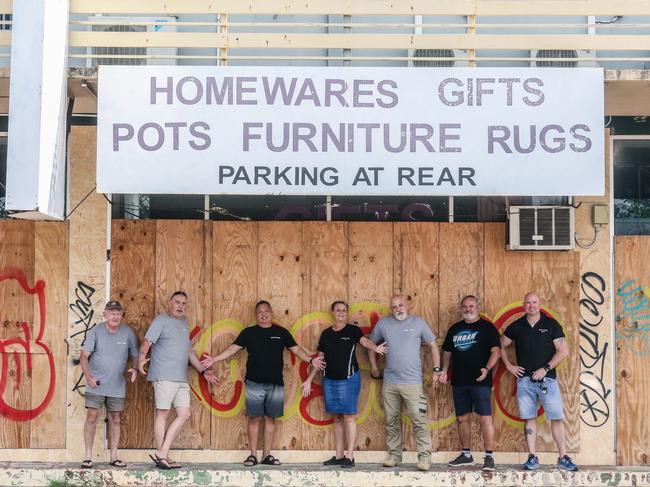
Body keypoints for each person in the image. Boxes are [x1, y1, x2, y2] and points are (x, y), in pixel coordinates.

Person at [201, 300, 325, 467]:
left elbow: (296, 349)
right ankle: (252, 455)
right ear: (256, 315)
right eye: (260, 311)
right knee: (254, 418)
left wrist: (311, 360)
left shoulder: (281, 332)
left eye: (266, 311)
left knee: (270, 419)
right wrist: (214, 359)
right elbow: (232, 349)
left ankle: (267, 455)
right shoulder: (248, 333)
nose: (263, 314)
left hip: (275, 383)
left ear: (271, 313)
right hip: (254, 383)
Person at [301, 300, 388, 468]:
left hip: (349, 379)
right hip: (329, 380)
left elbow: (365, 342)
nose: (341, 312)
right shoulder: (326, 334)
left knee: (348, 417)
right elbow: (320, 360)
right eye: (338, 310)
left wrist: (375, 348)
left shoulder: (352, 330)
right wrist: (309, 379)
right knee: (337, 417)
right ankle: (339, 455)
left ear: (346, 313)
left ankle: (350, 456)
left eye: (344, 310)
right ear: (332, 312)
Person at [138, 291, 218, 470]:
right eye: (177, 302)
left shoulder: (184, 323)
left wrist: (204, 371)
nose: (180, 306)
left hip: (181, 377)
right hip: (163, 376)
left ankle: (162, 453)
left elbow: (189, 351)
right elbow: (147, 343)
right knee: (163, 414)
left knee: (185, 413)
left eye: (184, 303)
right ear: (170, 303)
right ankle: (162, 455)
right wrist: (141, 360)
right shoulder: (160, 321)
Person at [500, 292, 578, 471]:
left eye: (534, 302)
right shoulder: (517, 326)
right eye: (528, 303)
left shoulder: (551, 325)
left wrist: (546, 368)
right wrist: (509, 366)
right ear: (523, 305)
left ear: (539, 304)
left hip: (547, 381)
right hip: (524, 381)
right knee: (529, 419)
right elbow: (500, 345)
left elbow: (563, 351)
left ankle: (563, 457)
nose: (531, 306)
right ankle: (532, 457)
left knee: (556, 418)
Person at [368, 294, 441, 472]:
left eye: (400, 305)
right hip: (390, 382)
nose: (398, 309)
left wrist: (437, 369)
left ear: (407, 305)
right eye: (394, 307)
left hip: (413, 383)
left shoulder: (418, 322)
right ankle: (394, 456)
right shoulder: (384, 324)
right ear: (390, 308)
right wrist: (374, 366)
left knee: (419, 420)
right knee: (391, 420)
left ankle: (424, 458)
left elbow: (433, 345)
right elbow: (370, 344)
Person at [439, 295, 501, 471]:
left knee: (485, 419)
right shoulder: (455, 328)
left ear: (477, 307)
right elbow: (447, 352)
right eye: (465, 306)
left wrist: (487, 369)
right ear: (461, 308)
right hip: (459, 381)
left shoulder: (487, 327)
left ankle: (489, 457)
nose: (468, 309)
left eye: (471, 306)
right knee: (462, 418)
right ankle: (466, 455)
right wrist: (444, 370)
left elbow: (496, 351)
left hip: (480, 381)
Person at [80, 300, 139, 469]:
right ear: (105, 314)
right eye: (111, 312)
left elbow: (135, 354)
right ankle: (88, 456)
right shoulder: (96, 331)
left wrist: (135, 368)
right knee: (92, 417)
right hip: (96, 383)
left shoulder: (128, 333)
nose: (115, 316)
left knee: (115, 419)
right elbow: (84, 356)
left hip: (117, 385)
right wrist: (88, 376)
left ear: (122, 315)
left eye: (118, 313)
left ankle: (114, 456)